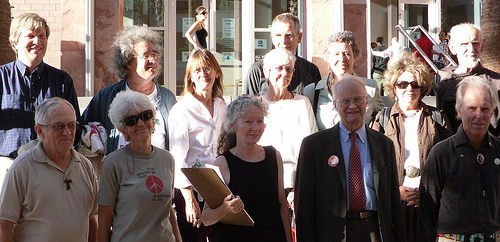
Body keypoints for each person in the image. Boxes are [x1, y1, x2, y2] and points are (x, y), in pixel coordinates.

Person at [295, 76, 405, 242]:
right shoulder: (314, 146)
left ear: (366, 101)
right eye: (345, 101)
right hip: (334, 232)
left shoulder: (384, 145)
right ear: (335, 105)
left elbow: (393, 202)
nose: (352, 106)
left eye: (358, 100)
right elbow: (304, 205)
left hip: (375, 230)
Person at [371, 53, 453, 242]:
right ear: (393, 87)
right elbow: (373, 162)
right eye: (403, 84)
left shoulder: (436, 117)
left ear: (423, 88)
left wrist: (426, 193)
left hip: (429, 203)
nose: (410, 89)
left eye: (415, 84)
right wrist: (395, 190)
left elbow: (450, 161)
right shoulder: (383, 119)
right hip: (395, 202)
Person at [0, 97, 97, 242]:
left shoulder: (85, 166)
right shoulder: (22, 168)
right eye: (59, 126)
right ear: (40, 130)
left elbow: (91, 218)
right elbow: (3, 227)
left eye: (71, 125)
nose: (67, 132)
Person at [201, 95, 292, 242]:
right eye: (248, 122)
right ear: (233, 125)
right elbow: (206, 218)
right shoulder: (222, 163)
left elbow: (281, 204)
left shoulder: (274, 156)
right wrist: (226, 208)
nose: (255, 128)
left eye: (260, 121)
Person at [420, 76, 500, 241]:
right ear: (459, 111)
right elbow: (428, 209)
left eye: (485, 109)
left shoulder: (498, 152)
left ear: (491, 111)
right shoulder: (441, 154)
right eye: (472, 108)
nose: (479, 115)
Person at [97, 91, 181, 242]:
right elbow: (104, 220)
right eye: (131, 120)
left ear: (153, 120)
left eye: (146, 115)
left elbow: (168, 211)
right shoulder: (113, 163)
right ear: (123, 129)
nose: (140, 123)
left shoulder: (167, 159)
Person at [82, 26, 176, 155]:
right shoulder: (108, 96)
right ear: (128, 61)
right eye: (146, 55)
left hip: (157, 172)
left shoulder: (167, 98)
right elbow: (82, 131)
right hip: (119, 173)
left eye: (154, 54)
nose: (153, 60)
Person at [0, 13, 80, 159]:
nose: (37, 41)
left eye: (42, 36)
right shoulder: (1, 78)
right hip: (7, 165)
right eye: (30, 36)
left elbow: (75, 126)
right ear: (15, 42)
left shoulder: (62, 80)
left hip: (51, 163)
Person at [168, 49, 227, 241]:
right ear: (190, 77)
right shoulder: (182, 110)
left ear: (217, 72)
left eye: (208, 68)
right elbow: (178, 157)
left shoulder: (221, 105)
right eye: (198, 70)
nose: (204, 74)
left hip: (220, 186)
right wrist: (188, 199)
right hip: (192, 188)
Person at [258, 48, 318, 209]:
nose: (284, 73)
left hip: (296, 184)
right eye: (279, 68)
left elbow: (311, 149)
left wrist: (297, 187)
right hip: (264, 183)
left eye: (289, 69)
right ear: (266, 71)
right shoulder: (256, 105)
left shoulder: (302, 103)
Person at [303, 31, 384, 131]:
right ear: (328, 58)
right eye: (336, 54)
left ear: (355, 56)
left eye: (347, 53)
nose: (342, 58)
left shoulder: (371, 88)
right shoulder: (312, 92)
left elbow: (382, 120)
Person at [435, 23, 500, 133]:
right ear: (452, 48)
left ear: (482, 46)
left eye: (475, 43)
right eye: (464, 44)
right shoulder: (442, 80)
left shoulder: (497, 82)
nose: (471, 48)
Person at [243, 13, 321, 95]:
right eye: (278, 35)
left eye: (289, 35)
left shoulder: (311, 70)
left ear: (299, 37)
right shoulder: (257, 70)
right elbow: (247, 105)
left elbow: (316, 104)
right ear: (272, 38)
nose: (283, 41)